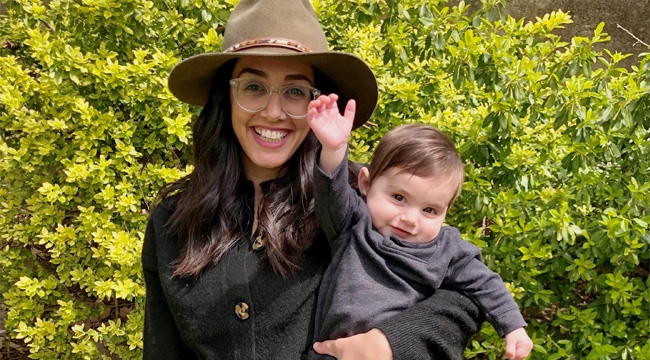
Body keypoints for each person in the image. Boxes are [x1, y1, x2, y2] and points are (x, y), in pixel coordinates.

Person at [142, 0, 484, 359]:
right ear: (226, 97)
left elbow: (464, 293)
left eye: (295, 91)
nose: (273, 112)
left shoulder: (360, 201)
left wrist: (390, 342)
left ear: (317, 102)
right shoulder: (173, 221)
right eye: (253, 87)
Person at [306, 94, 534, 360]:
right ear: (366, 184)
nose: (410, 219)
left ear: (446, 211)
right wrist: (333, 149)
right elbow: (331, 193)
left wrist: (513, 326)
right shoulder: (354, 224)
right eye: (399, 198)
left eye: (429, 210)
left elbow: (485, 284)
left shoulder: (447, 249)